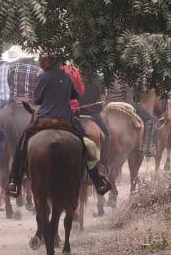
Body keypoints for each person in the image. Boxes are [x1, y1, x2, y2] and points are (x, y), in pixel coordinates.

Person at [6, 53, 113, 198]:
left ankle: (14, 180)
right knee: (85, 143)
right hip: (66, 119)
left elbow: (37, 99)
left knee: (22, 143)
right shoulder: (68, 76)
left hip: (44, 119)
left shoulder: (43, 76)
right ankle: (97, 180)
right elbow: (76, 95)